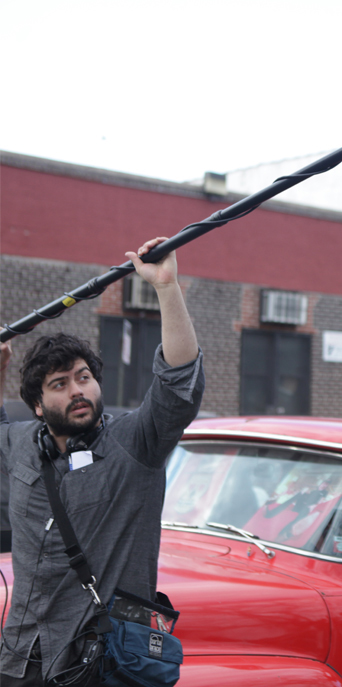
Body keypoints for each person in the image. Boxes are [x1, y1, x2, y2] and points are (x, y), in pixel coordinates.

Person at [0, 237, 205, 686]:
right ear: (37, 404)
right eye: (60, 383)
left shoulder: (135, 443)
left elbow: (177, 384)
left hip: (99, 661)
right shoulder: (17, 445)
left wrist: (167, 288)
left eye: (84, 377)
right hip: (19, 659)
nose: (77, 390)